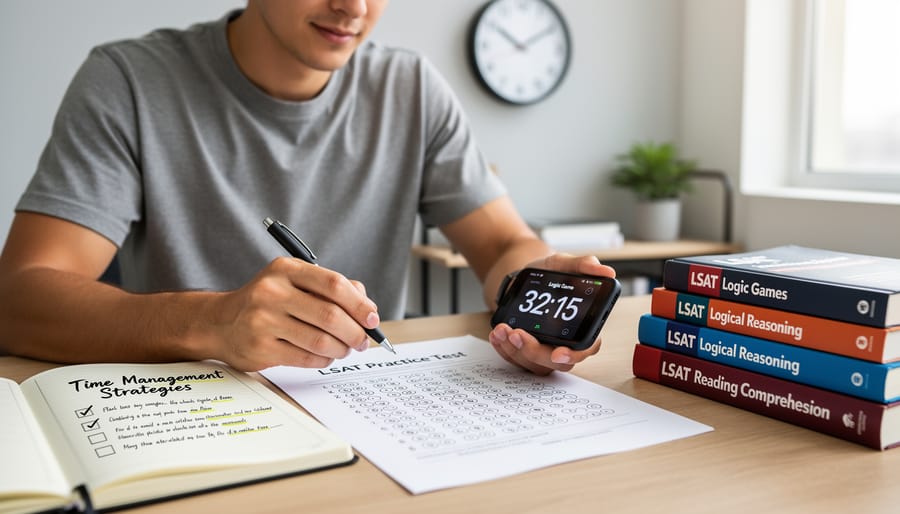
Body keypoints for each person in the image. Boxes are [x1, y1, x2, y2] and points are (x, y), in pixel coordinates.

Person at [0, 0, 615, 376]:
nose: (353, 6)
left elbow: (502, 243)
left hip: (366, 416)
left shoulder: (412, 88)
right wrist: (215, 321)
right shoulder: (128, 82)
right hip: (180, 415)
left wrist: (530, 290)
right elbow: (19, 300)